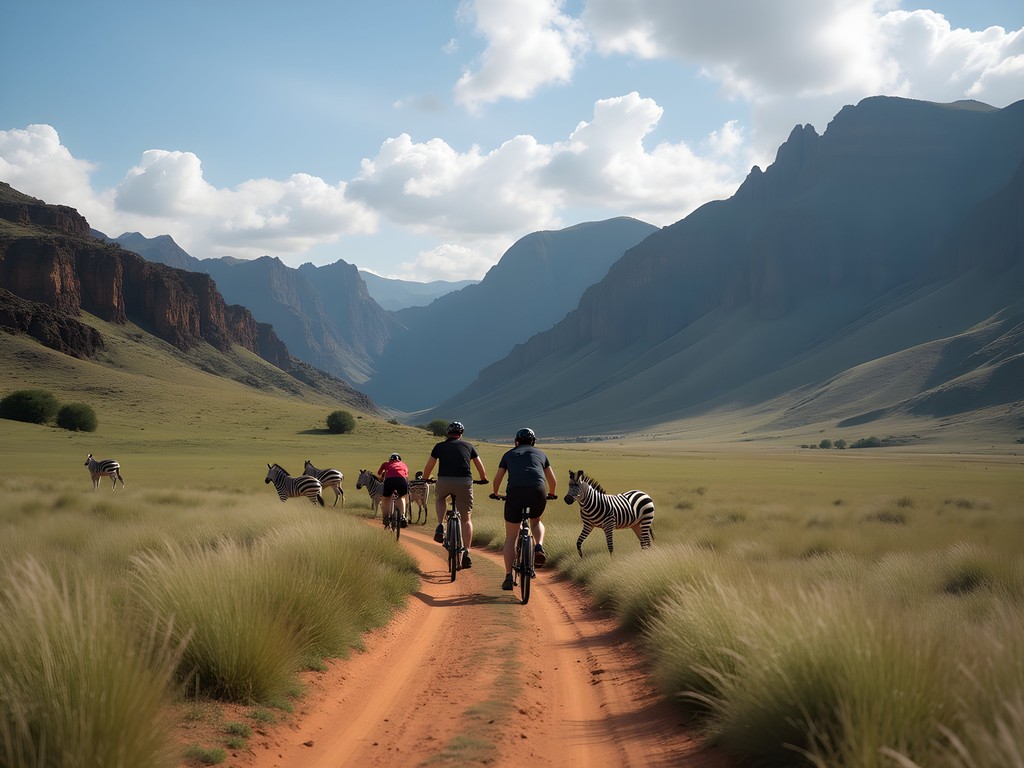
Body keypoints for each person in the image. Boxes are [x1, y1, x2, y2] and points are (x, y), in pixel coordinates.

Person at [490, 427, 557, 591]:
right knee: (536, 521)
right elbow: (552, 480)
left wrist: (496, 493)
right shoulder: (541, 454)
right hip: (538, 491)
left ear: (516, 441)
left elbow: (498, 478)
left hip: (515, 492)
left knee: (511, 537)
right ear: (534, 442)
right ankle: (539, 545)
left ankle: (507, 577)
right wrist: (551, 494)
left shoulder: (508, 454)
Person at [422, 421, 487, 568]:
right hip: (464, 482)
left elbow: (429, 467)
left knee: (440, 498)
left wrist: (426, 478)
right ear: (461, 434)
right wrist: (483, 479)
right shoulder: (469, 446)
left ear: (448, 433)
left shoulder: (439, 446)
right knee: (466, 517)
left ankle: (440, 524)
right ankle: (467, 551)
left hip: (444, 481)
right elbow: (480, 468)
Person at [377, 452, 409, 528]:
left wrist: (383, 475)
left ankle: (386, 518)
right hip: (402, 480)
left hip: (390, 481)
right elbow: (406, 475)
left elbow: (379, 473)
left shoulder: (386, 463)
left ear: (390, 459)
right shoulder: (403, 464)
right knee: (401, 497)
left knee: (386, 499)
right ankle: (403, 516)